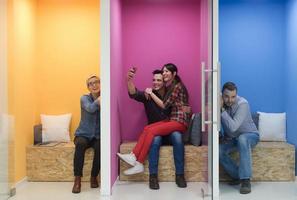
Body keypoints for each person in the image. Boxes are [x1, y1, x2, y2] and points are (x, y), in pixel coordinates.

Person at [117, 63, 190, 186]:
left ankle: (180, 175)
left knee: (177, 137)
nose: (155, 82)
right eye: (154, 80)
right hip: (160, 129)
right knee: (151, 134)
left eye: (159, 80)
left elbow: (176, 105)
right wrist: (129, 80)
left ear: (165, 81)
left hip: (174, 126)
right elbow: (133, 93)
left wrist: (186, 111)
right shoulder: (148, 94)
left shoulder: (172, 89)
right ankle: (153, 176)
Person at [219, 82, 259, 194]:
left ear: (236, 95)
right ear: (222, 95)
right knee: (218, 151)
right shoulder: (221, 103)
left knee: (242, 139)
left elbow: (233, 127)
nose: (230, 100)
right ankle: (237, 176)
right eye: (226, 96)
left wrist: (221, 109)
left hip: (251, 135)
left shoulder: (243, 104)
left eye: (233, 97)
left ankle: (245, 180)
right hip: (233, 139)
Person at [72, 75, 100, 194]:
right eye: (91, 84)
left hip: (97, 136)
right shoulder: (84, 98)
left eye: (96, 82)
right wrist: (99, 101)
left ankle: (93, 177)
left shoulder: (106, 98)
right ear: (88, 87)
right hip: (83, 134)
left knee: (100, 147)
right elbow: (90, 109)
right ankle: (77, 179)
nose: (94, 85)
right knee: (80, 145)